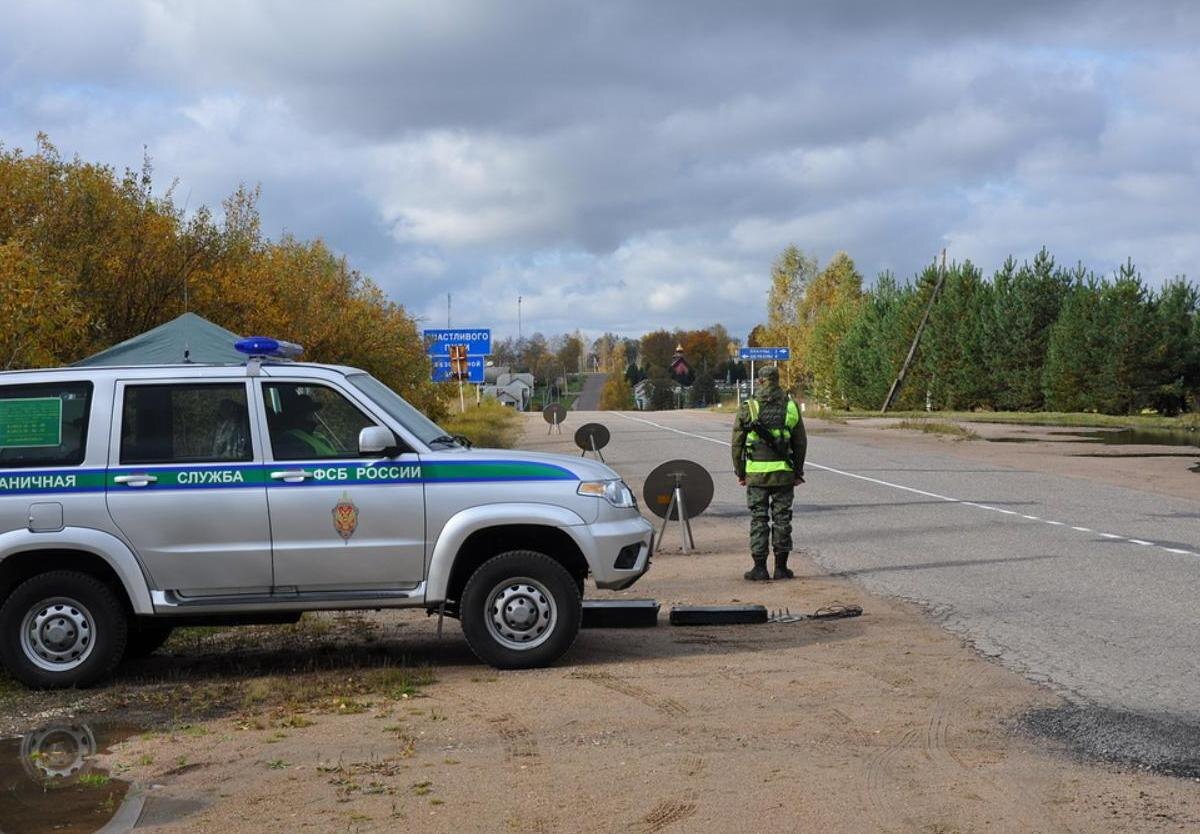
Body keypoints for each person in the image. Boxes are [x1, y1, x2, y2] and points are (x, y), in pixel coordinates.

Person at [731, 365, 806, 581]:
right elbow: (800, 443)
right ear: (777, 381)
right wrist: (798, 471)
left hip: (755, 474)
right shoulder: (791, 406)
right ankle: (781, 568)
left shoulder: (749, 407)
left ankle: (760, 569)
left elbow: (737, 444)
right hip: (784, 473)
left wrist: (740, 472)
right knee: (782, 519)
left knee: (759, 519)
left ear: (761, 381)